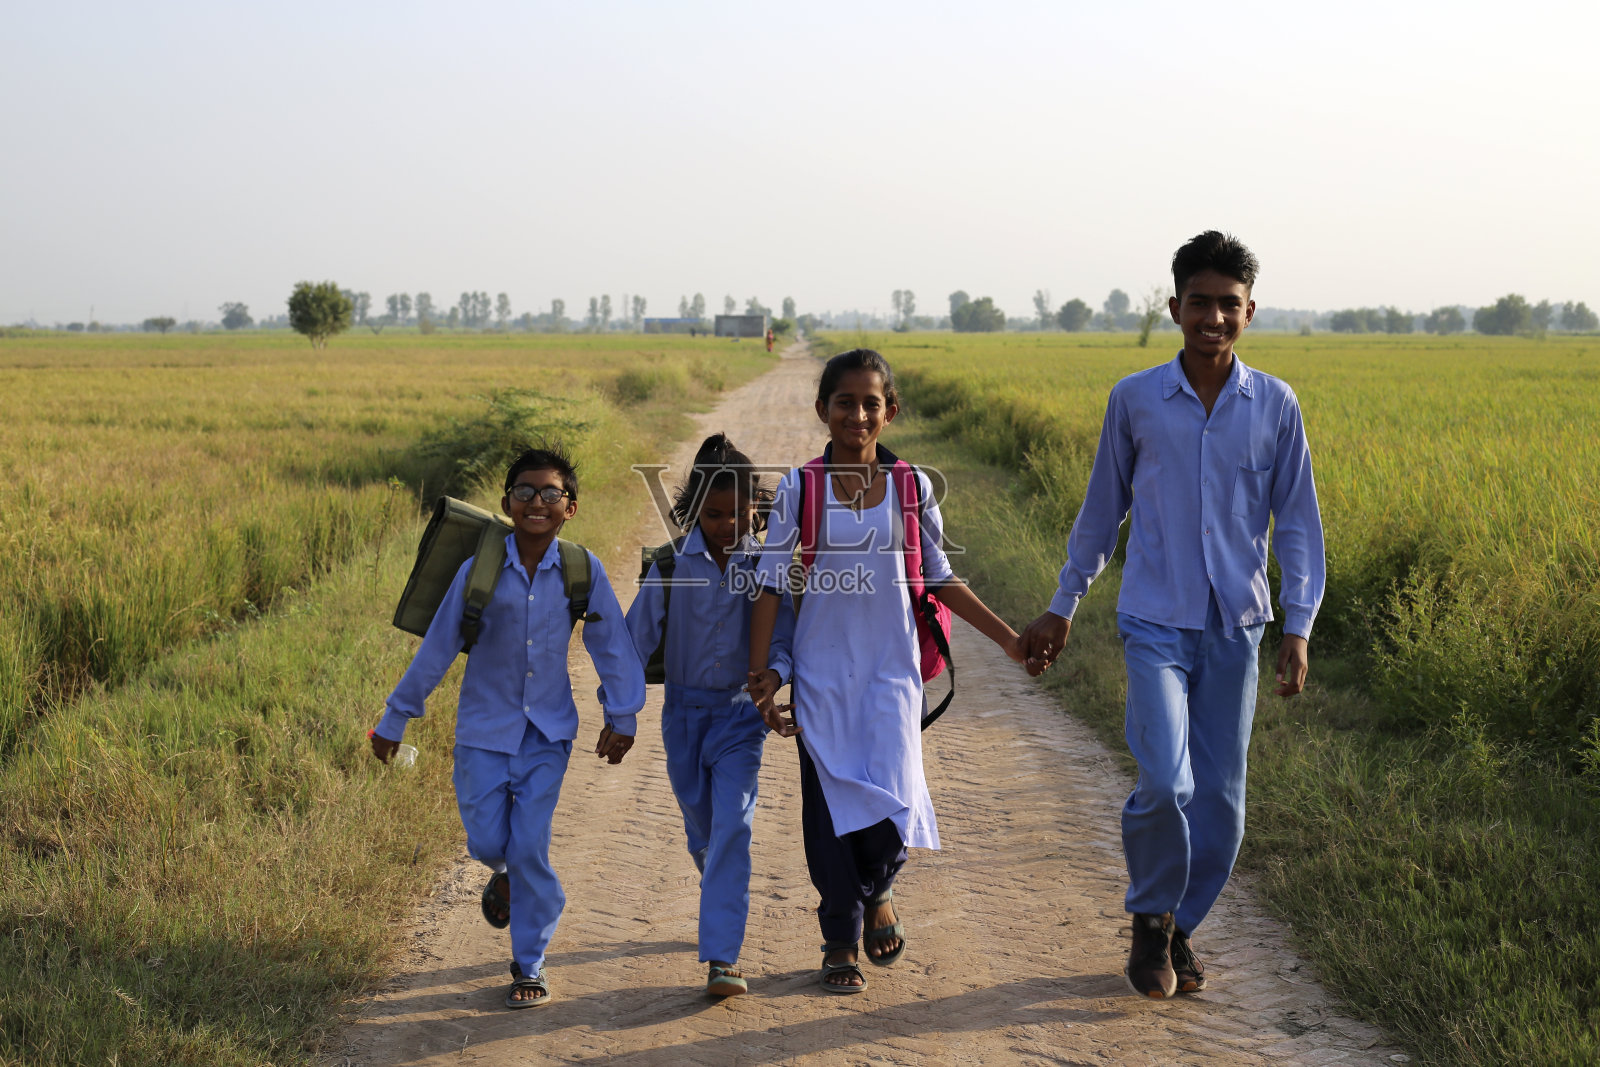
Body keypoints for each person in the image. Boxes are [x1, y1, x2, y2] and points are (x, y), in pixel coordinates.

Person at [1019, 231, 1326, 1000]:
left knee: (1223, 805)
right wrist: (1063, 605)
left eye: (1229, 304)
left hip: (1236, 626)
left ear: (1250, 312)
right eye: (1200, 302)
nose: (1213, 317)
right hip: (1154, 619)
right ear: (1174, 307)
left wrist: (1299, 625)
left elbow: (1296, 522)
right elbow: (1101, 512)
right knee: (1164, 781)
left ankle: (1176, 925)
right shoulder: (1136, 399)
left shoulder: (1275, 405)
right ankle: (1150, 917)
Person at [748, 348, 1024, 994]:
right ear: (823, 410)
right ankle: (840, 934)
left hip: (893, 673)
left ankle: (879, 887)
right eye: (844, 401)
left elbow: (942, 578)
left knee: (892, 797)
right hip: (821, 674)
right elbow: (767, 582)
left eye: (872, 402)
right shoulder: (801, 488)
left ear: (890, 411)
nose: (858, 413)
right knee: (827, 809)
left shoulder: (911, 487)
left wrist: (1009, 639)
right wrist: (762, 674)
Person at [370, 446, 646, 1009]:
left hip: (547, 734)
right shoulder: (480, 571)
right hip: (481, 730)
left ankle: (530, 963)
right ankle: (509, 876)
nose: (536, 503)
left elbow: (612, 646)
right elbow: (439, 647)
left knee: (528, 845)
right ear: (506, 502)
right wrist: (395, 717)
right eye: (525, 492)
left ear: (570, 507)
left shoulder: (580, 570)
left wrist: (623, 715)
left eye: (551, 494)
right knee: (486, 839)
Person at [625, 433, 796, 997]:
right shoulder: (671, 566)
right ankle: (715, 875)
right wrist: (619, 712)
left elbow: (785, 639)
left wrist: (775, 675)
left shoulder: (767, 566)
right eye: (714, 514)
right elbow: (632, 643)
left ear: (756, 509)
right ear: (693, 510)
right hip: (682, 718)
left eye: (738, 514)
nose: (727, 525)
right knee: (703, 828)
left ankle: (723, 958)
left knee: (733, 829)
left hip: (739, 720)